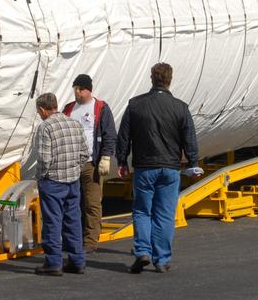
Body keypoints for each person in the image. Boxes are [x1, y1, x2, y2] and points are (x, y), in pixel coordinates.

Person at [116, 62, 200, 274]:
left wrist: (122, 160)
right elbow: (189, 138)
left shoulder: (135, 105)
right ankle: (162, 259)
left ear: (151, 79)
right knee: (164, 214)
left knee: (143, 211)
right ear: (170, 80)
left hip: (144, 167)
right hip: (170, 168)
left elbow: (124, 135)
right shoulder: (181, 107)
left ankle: (143, 251)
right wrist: (193, 162)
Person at [33, 92, 89, 276]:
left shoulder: (45, 127)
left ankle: (54, 262)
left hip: (53, 181)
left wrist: (41, 176)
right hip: (72, 180)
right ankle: (77, 260)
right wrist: (75, 169)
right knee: (73, 220)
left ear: (42, 109)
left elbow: (44, 158)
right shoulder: (74, 123)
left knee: (52, 222)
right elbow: (84, 153)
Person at [62, 74, 117, 254]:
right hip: (71, 164)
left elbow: (109, 134)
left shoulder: (100, 108)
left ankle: (90, 241)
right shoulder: (69, 109)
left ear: (88, 90)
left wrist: (106, 157)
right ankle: (72, 239)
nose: (77, 92)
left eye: (80, 89)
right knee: (72, 203)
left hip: (90, 164)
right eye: (75, 89)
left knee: (92, 203)